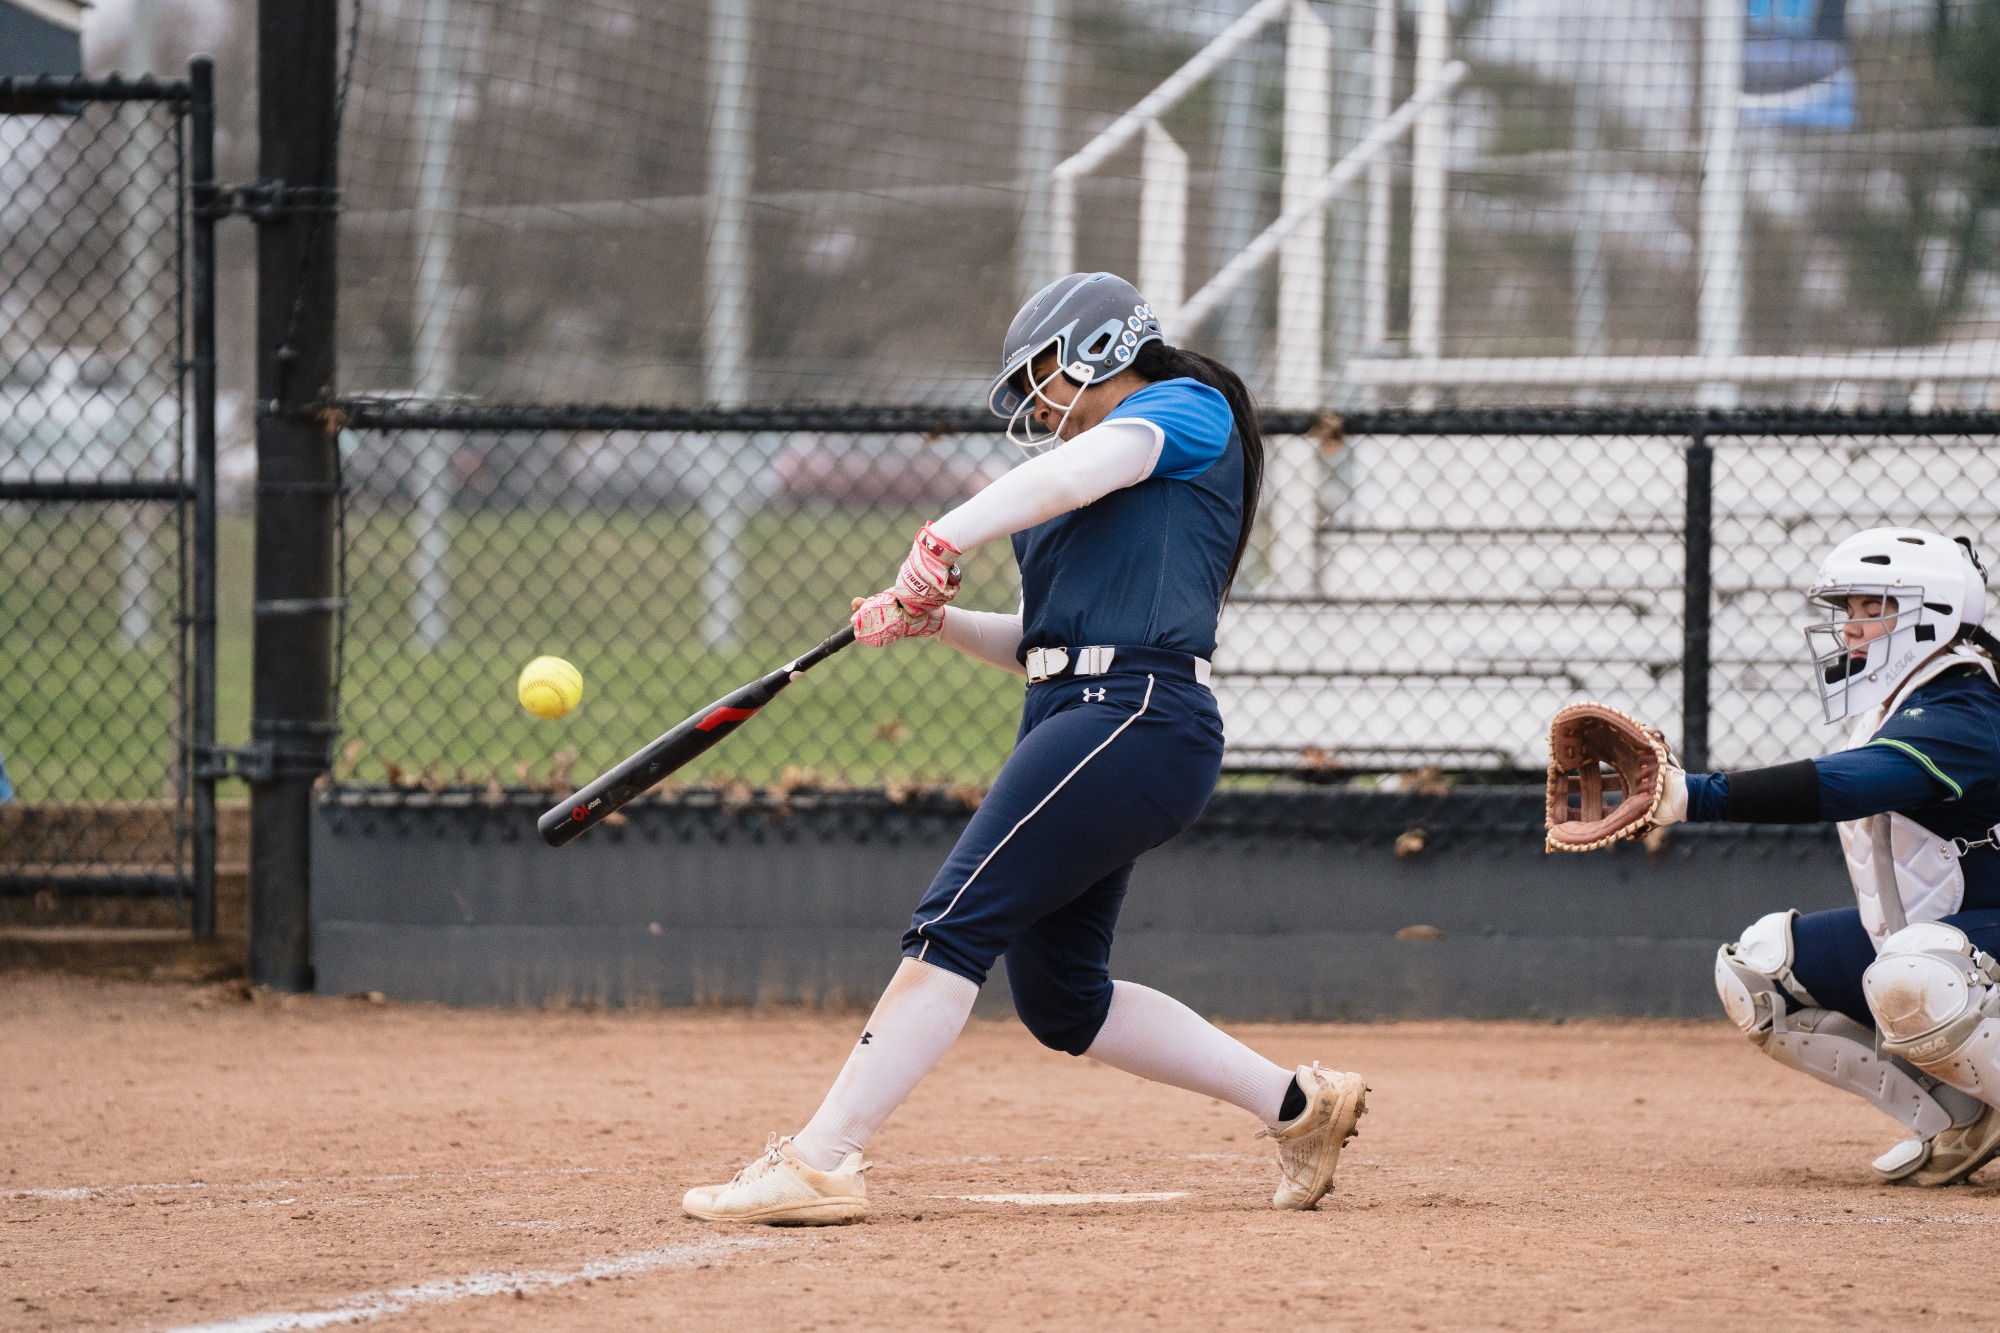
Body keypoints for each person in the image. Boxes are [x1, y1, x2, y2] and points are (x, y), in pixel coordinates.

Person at [682, 271, 1367, 1226]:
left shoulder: (1183, 410)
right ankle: (1299, 1106)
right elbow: (1044, 647)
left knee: (952, 923)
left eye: (1045, 372)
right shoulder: (1068, 489)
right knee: (1062, 1000)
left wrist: (943, 535)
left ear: (1100, 349)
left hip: (1134, 715)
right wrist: (941, 620)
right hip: (1078, 714)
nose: (1037, 401)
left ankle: (821, 1159)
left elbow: (1090, 474)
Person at [1650, 527, 2000, 1185]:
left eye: (1875, 610)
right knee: (1761, 971)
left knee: (1915, 971)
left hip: (1980, 941)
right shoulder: (1901, 703)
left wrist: (1695, 795)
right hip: (1957, 943)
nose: (1854, 630)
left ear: (1935, 616)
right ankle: (1964, 1119)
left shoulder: (1965, 706)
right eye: (1851, 613)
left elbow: (1846, 785)